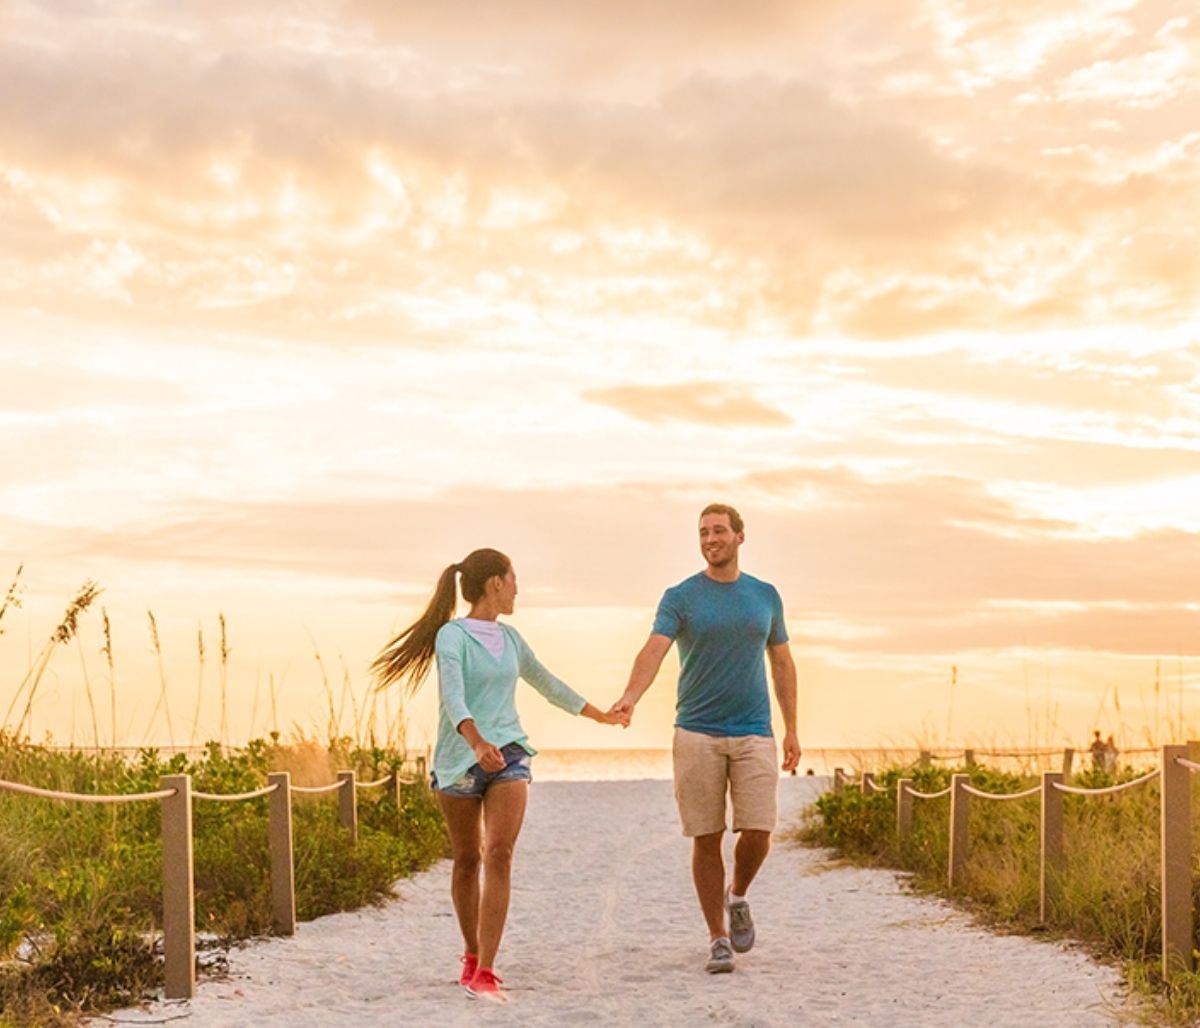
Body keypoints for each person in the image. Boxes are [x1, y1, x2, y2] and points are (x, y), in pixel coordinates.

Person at [372, 548, 624, 1003]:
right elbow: (453, 697)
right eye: (513, 579)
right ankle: (471, 953)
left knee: (500, 852)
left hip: (509, 754)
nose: (517, 589)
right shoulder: (452, 637)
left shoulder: (511, 640)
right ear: (494, 584)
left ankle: (486, 968)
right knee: (467, 859)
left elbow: (548, 684)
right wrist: (476, 743)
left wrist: (599, 716)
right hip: (460, 760)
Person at [609, 504, 800, 974]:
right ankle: (717, 937)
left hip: (755, 729)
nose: (710, 539)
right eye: (703, 532)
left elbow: (781, 662)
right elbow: (654, 650)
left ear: (739, 536)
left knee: (758, 830)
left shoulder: (765, 596)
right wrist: (630, 696)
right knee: (706, 836)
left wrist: (792, 726)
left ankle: (737, 896)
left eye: (718, 531)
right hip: (696, 731)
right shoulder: (681, 597)